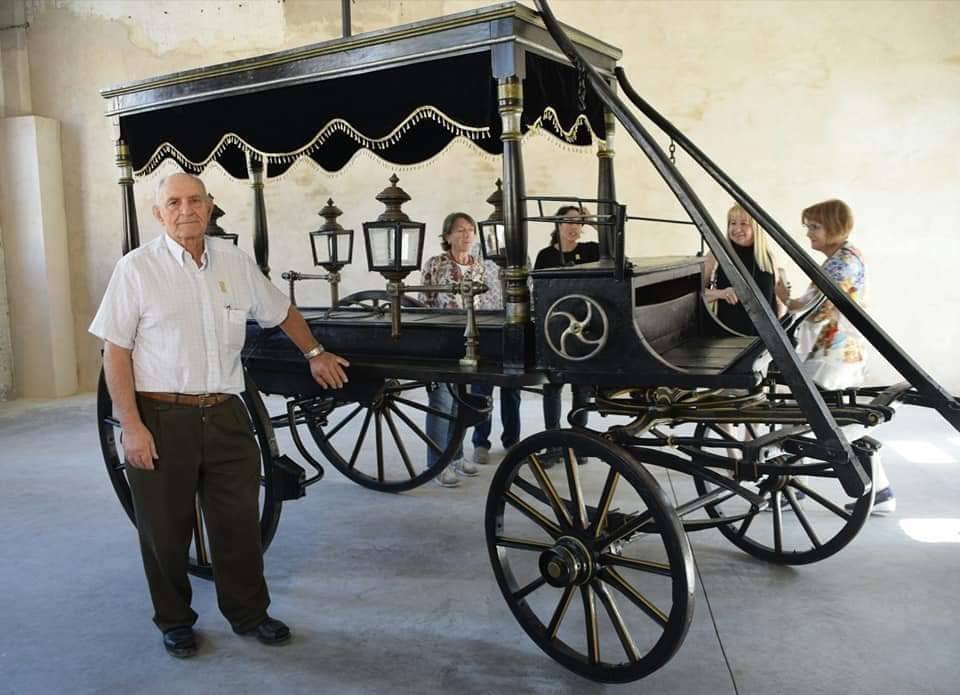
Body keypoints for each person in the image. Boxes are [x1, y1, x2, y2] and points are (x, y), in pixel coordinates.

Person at [89, 172, 350, 658]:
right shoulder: (136, 269)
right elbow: (115, 352)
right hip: (162, 417)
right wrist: (132, 425)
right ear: (158, 213)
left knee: (238, 525)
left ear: (209, 206)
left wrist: (315, 352)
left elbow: (280, 309)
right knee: (165, 531)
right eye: (174, 202)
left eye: (195, 200)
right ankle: (175, 621)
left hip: (228, 415)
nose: (186, 209)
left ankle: (250, 613)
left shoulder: (232, 260)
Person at [777, 199, 895, 515]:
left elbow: (816, 310)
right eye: (808, 228)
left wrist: (784, 307)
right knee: (822, 416)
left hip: (835, 354)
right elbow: (809, 304)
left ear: (834, 228)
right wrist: (788, 299)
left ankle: (791, 485)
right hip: (839, 351)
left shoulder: (841, 263)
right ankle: (881, 493)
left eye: (814, 227)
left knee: (808, 417)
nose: (809, 235)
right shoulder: (843, 257)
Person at [420, 212, 486, 486]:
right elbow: (424, 302)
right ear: (447, 236)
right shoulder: (435, 263)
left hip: (469, 340)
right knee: (443, 402)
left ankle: (456, 456)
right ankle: (436, 464)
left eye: (470, 229)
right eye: (460, 230)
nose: (466, 234)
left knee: (462, 402)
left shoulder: (477, 265)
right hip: (441, 339)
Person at [533, 205, 597, 435]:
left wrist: (594, 221)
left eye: (579, 222)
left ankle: (579, 439)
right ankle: (553, 440)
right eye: (569, 221)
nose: (574, 226)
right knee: (552, 386)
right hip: (555, 328)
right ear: (557, 224)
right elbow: (538, 292)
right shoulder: (546, 255)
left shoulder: (592, 250)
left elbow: (618, 254)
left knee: (581, 387)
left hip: (585, 326)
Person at [469, 256, 522, 465]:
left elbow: (530, 287)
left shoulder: (520, 253)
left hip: (513, 324)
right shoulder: (477, 254)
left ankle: (512, 440)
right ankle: (480, 442)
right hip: (484, 326)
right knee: (482, 389)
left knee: (512, 389)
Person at [702, 203, 786, 333]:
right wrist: (721, 293)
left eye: (744, 224)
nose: (737, 229)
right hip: (729, 338)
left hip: (765, 340)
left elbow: (777, 300)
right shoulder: (716, 254)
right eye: (733, 223)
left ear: (756, 228)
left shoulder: (769, 258)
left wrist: (781, 332)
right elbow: (697, 295)